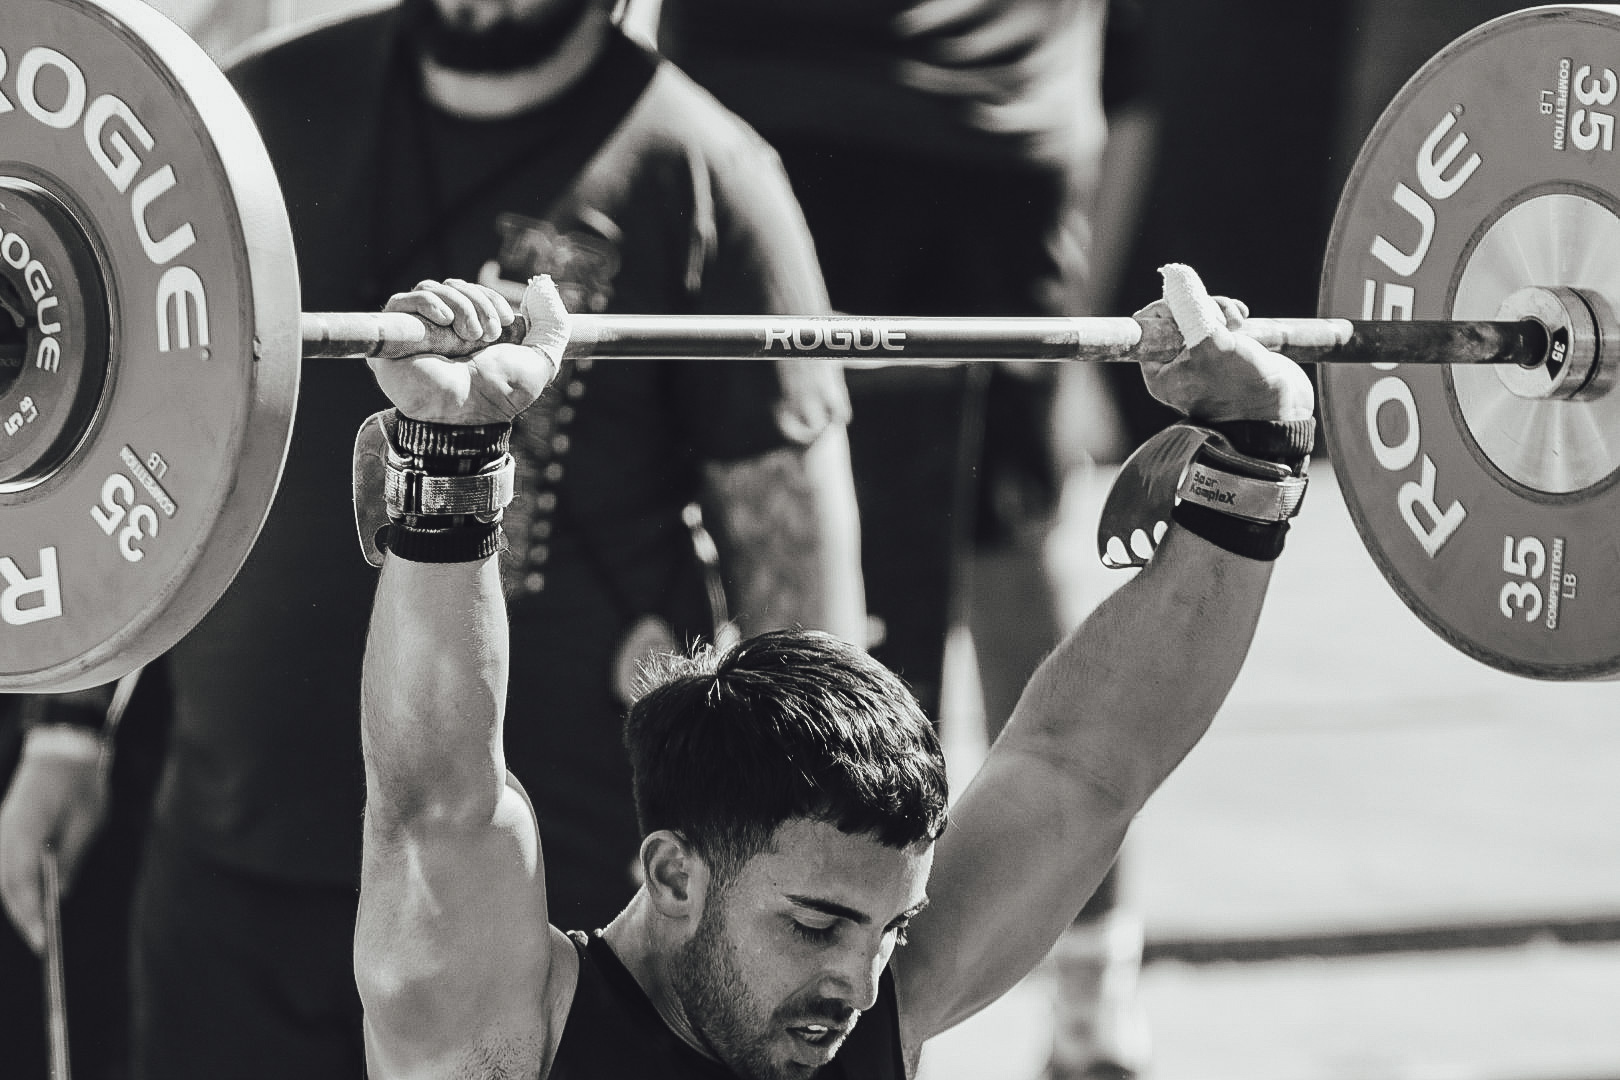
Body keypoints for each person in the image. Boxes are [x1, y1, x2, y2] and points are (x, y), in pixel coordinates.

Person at [6, 2, 864, 1078]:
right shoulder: (251, 111)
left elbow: (806, 601)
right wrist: (67, 731)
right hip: (237, 859)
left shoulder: (706, 172)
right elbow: (122, 407)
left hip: (538, 925)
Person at [348, 270, 1315, 1079]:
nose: (858, 983)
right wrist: (451, 456)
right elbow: (435, 803)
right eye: (818, 926)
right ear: (676, 873)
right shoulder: (497, 1039)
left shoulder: (858, 1008)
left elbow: (1087, 768)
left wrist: (1258, 453)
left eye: (892, 931)